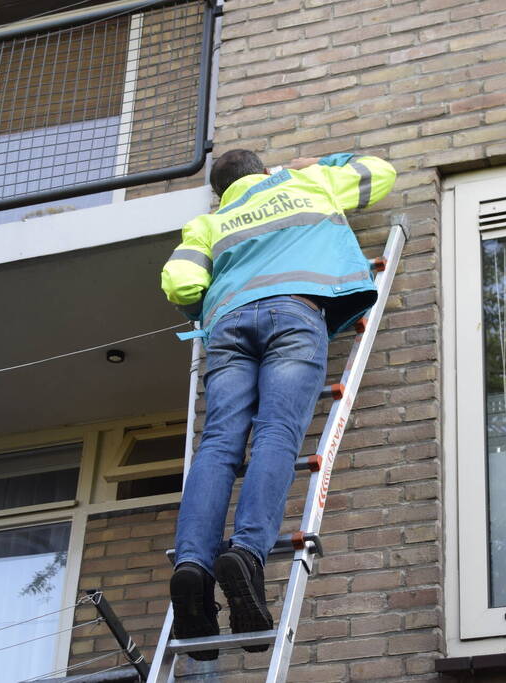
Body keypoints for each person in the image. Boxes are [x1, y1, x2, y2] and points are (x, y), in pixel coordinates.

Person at [160, 149, 396, 659]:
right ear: (262, 172)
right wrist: (323, 160)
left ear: (221, 191)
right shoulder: (308, 184)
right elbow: (379, 172)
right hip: (296, 314)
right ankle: (245, 554)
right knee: (276, 433)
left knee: (219, 444)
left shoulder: (208, 221)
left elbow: (181, 283)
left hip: (227, 328)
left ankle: (192, 567)